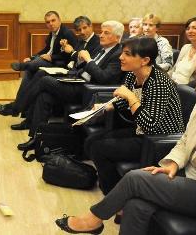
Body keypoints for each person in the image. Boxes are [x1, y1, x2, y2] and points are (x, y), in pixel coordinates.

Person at [55, 62, 196, 235]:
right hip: (186, 174)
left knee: (135, 178)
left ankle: (93, 220)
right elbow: (185, 140)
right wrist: (172, 163)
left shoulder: (161, 83)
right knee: (136, 204)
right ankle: (99, 218)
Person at [89, 37, 184, 197]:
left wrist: (131, 97)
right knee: (92, 141)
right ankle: (116, 190)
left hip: (158, 141)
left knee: (99, 148)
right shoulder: (133, 75)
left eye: (127, 54)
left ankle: (115, 198)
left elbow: (150, 125)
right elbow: (125, 103)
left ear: (145, 60)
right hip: (141, 133)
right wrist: (106, 107)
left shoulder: (159, 83)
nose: (120, 57)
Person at [13, 21, 125, 150]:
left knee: (44, 80)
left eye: (106, 33)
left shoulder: (118, 54)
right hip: (78, 82)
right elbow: (85, 67)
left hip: (89, 91)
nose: (101, 35)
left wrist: (88, 60)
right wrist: (79, 65)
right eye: (101, 32)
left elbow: (103, 78)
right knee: (44, 96)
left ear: (117, 37)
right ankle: (36, 138)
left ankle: (17, 107)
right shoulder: (102, 49)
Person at [0, 11, 77, 117]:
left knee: (39, 62)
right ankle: (15, 108)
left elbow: (72, 55)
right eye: (48, 22)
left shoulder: (67, 33)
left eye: (53, 20)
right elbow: (46, 49)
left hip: (61, 65)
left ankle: (24, 67)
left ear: (59, 20)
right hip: (50, 61)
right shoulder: (52, 33)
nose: (50, 24)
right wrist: (32, 57)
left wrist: (52, 57)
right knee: (29, 72)